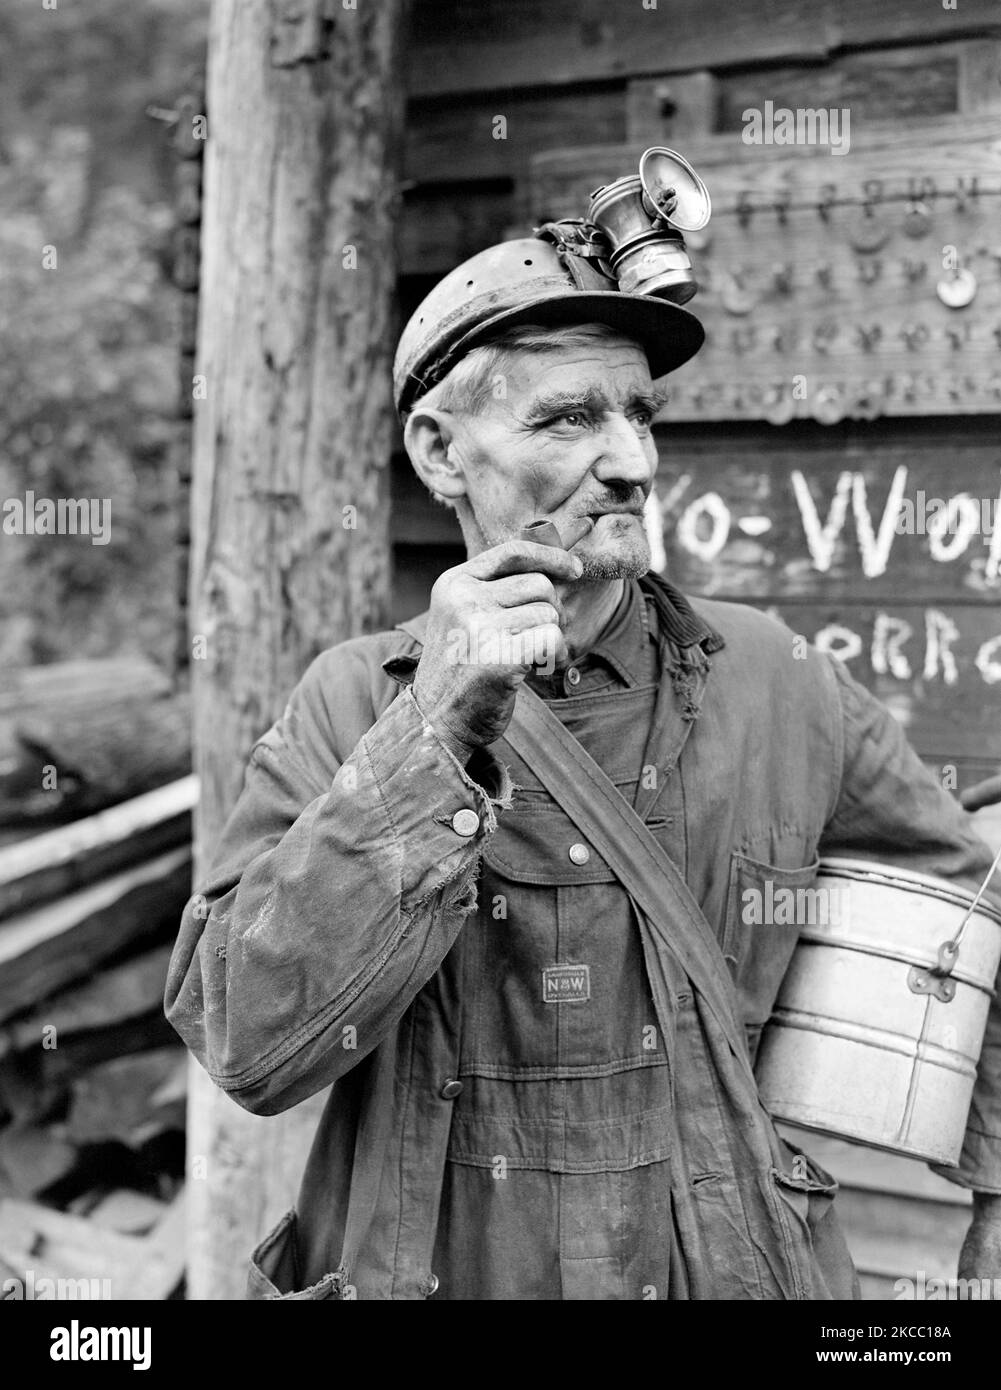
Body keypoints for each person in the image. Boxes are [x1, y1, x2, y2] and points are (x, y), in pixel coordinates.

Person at [166, 230, 1001, 1300]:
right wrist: (428, 735)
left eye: (639, 414)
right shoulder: (352, 702)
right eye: (570, 418)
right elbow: (249, 1044)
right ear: (438, 451)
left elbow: (972, 896)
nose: (633, 462)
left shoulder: (777, 682)